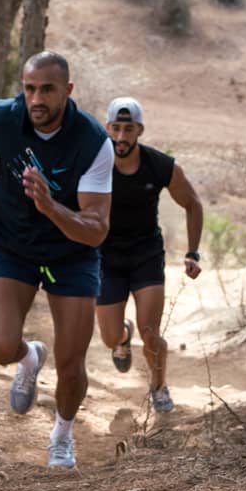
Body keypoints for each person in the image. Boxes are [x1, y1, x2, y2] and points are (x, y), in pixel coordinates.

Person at [0, 51, 113, 470]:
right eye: (30, 88)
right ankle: (29, 357)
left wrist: (52, 207)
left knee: (71, 363)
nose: (37, 99)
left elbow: (96, 227)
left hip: (72, 255)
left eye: (48, 90)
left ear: (68, 91)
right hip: (11, 247)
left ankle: (61, 436)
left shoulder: (93, 142)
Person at [96, 97, 203, 413]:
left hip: (146, 256)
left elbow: (193, 203)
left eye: (129, 129)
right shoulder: (94, 164)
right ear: (108, 129)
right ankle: (122, 337)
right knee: (109, 337)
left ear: (140, 130)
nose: (122, 136)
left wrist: (193, 252)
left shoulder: (160, 166)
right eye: (116, 128)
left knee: (151, 333)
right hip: (106, 260)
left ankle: (159, 388)